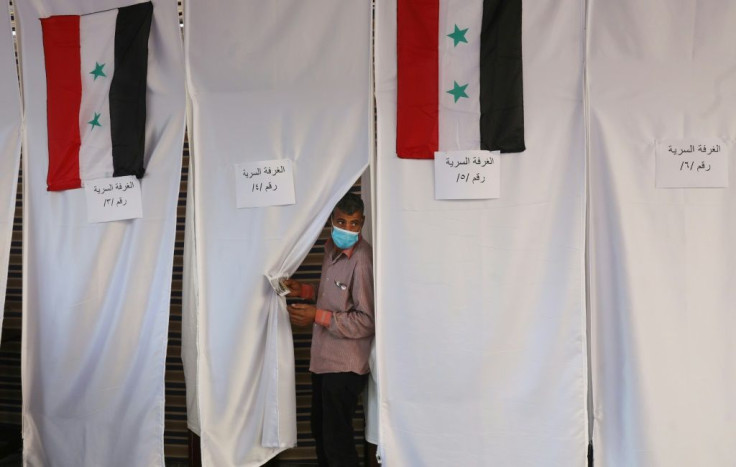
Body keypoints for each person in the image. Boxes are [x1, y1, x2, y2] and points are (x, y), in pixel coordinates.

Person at [284, 192, 374, 467]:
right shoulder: (329, 249)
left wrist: (317, 316)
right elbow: (335, 296)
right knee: (321, 434)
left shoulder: (362, 259)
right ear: (331, 221)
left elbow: (366, 320)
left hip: (345, 365)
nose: (347, 229)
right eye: (342, 222)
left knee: (337, 444)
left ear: (363, 223)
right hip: (323, 360)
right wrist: (306, 291)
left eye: (354, 223)